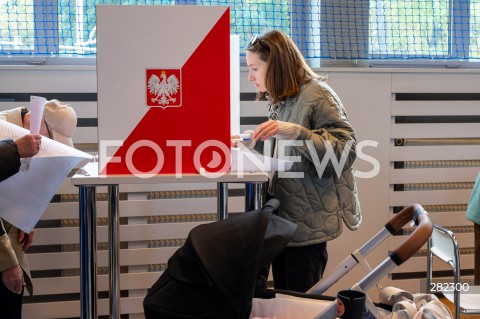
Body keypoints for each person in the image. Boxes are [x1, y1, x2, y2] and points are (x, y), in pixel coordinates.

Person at [239, 29, 361, 293]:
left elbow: (345, 152)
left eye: (254, 68)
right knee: (286, 300)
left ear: (276, 66)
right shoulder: (286, 96)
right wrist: (254, 140)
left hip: (307, 226)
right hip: (285, 220)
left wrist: (299, 133)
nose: (249, 77)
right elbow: (289, 153)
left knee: (301, 304)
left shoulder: (318, 93)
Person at [0, 100, 77, 318]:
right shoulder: (3, 130)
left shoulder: (19, 134)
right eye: (52, 139)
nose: (52, 147)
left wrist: (22, 219)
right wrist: (6, 263)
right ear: (40, 122)